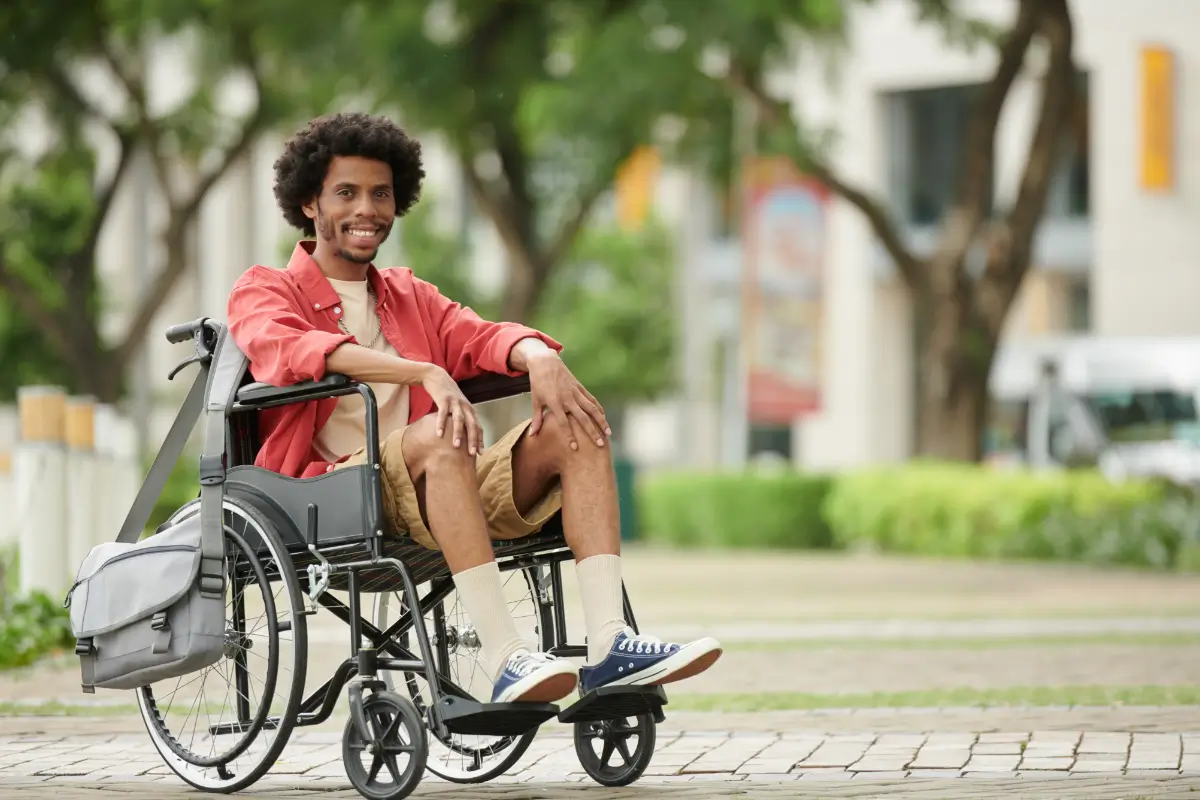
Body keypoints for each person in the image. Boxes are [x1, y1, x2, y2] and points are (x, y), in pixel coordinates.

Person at [226, 112, 722, 705]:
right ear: (310, 203)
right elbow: (295, 351)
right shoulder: (263, 289)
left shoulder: (411, 296)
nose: (367, 209)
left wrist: (538, 356)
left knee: (575, 425)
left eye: (380, 193)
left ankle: (610, 645)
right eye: (347, 193)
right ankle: (506, 656)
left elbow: (481, 336)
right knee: (440, 433)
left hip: (445, 475)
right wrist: (422, 371)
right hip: (336, 493)